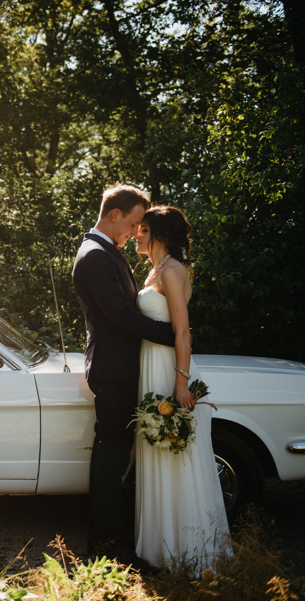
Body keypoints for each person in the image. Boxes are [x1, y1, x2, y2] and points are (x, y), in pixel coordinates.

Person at [72, 184, 177, 563]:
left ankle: (113, 541)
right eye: (134, 222)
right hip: (114, 369)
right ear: (114, 215)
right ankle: (105, 548)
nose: (137, 231)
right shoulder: (95, 255)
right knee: (111, 456)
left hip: (122, 366)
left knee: (117, 455)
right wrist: (174, 335)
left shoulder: (105, 253)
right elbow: (120, 316)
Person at [133, 205, 231, 571]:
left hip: (169, 369)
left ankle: (190, 552)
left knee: (177, 457)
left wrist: (180, 383)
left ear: (158, 235)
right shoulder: (154, 271)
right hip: (151, 366)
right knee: (158, 454)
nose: (136, 235)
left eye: (142, 230)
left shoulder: (172, 271)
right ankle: (160, 549)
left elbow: (183, 332)